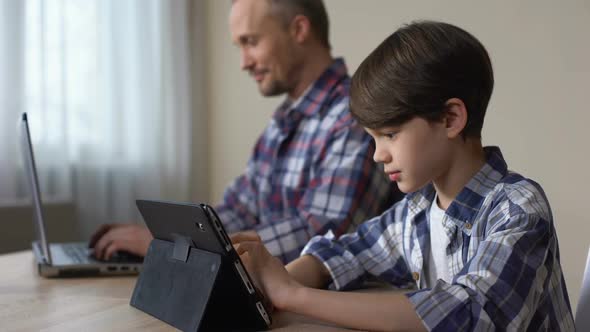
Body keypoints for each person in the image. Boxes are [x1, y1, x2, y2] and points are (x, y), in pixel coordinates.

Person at [232, 21, 574, 331]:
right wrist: (272, 287)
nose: (378, 154)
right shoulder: (416, 212)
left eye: (390, 134)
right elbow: (350, 252)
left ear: (451, 118)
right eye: (373, 137)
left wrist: (294, 296)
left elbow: (470, 316)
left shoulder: (518, 210)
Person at [89, 0, 398, 263]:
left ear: (299, 30)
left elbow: (322, 235)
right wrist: (169, 237)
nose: (244, 63)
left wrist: (180, 247)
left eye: (251, 42)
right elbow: (240, 209)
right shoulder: (283, 122)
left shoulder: (355, 114)